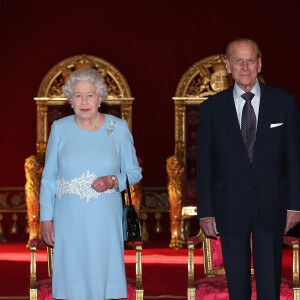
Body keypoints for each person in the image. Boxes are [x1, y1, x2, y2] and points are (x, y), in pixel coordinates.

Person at [197, 38, 300, 299]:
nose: (245, 66)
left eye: (250, 60)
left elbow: (295, 159)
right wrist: (206, 212)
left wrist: (294, 205)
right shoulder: (211, 108)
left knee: (269, 286)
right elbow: (205, 165)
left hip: (272, 206)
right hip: (229, 206)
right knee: (238, 288)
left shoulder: (284, 103)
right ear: (228, 66)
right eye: (238, 61)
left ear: (260, 63)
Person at [40, 67, 142, 300]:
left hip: (104, 218)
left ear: (100, 98)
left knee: (101, 277)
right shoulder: (59, 129)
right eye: (78, 95)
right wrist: (46, 218)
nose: (84, 101)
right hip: (68, 218)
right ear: (70, 100)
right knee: (72, 280)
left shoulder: (117, 128)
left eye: (89, 95)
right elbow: (48, 177)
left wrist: (112, 180)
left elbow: (134, 172)